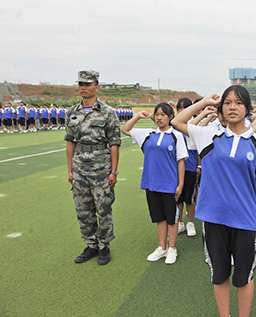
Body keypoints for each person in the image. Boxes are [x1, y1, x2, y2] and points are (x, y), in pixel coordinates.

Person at [171, 86, 256, 317]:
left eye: (238, 103)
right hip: (213, 218)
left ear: (248, 109)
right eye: (227, 103)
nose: (232, 107)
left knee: (244, 277)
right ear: (221, 108)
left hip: (246, 221)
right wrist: (204, 102)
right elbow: (177, 122)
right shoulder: (209, 136)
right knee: (219, 275)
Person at [65, 70, 121, 266]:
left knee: (103, 207)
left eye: (87, 84)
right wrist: (70, 169)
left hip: (101, 167)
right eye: (81, 84)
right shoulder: (72, 112)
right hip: (79, 166)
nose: (83, 87)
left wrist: (113, 171)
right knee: (83, 209)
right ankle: (90, 245)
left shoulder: (107, 112)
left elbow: (114, 143)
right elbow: (70, 141)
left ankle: (104, 245)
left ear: (97, 87)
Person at [121, 104, 187, 264]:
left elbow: (181, 162)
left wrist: (180, 184)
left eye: (163, 114)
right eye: (156, 114)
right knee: (159, 218)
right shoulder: (148, 134)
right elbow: (125, 129)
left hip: (170, 185)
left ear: (171, 117)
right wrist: (137, 116)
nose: (159, 117)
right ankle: (162, 247)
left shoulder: (176, 136)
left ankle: (172, 249)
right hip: (151, 184)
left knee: (172, 218)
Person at [175, 97, 200, 237]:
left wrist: (199, 165)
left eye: (185, 108)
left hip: (190, 167)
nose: (181, 110)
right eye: (179, 108)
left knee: (190, 198)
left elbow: (199, 149)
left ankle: (190, 222)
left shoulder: (193, 126)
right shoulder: (173, 125)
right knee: (178, 197)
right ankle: (180, 223)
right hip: (177, 168)